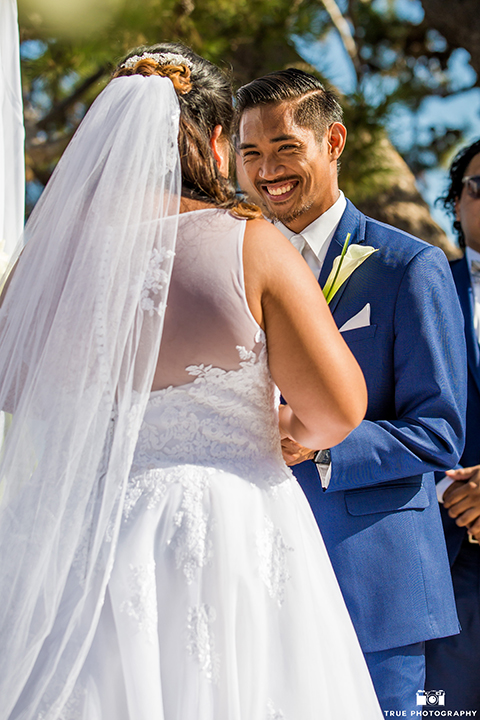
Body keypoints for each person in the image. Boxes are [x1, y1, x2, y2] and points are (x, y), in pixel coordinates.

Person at [0, 44, 384, 719]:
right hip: (220, 528)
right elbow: (337, 409)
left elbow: (14, 387)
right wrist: (287, 430)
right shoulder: (249, 242)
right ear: (212, 139)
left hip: (78, 536)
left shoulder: (44, 266)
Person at [235, 68, 467, 715]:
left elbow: (438, 430)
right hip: (255, 573)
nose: (267, 170)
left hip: (374, 580)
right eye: (250, 153)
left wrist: (319, 442)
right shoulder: (235, 267)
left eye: (285, 147)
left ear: (333, 141)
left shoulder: (408, 266)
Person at [425, 139, 480, 713]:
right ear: (457, 202)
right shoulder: (423, 278)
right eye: (479, 185)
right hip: (446, 545)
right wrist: (453, 487)